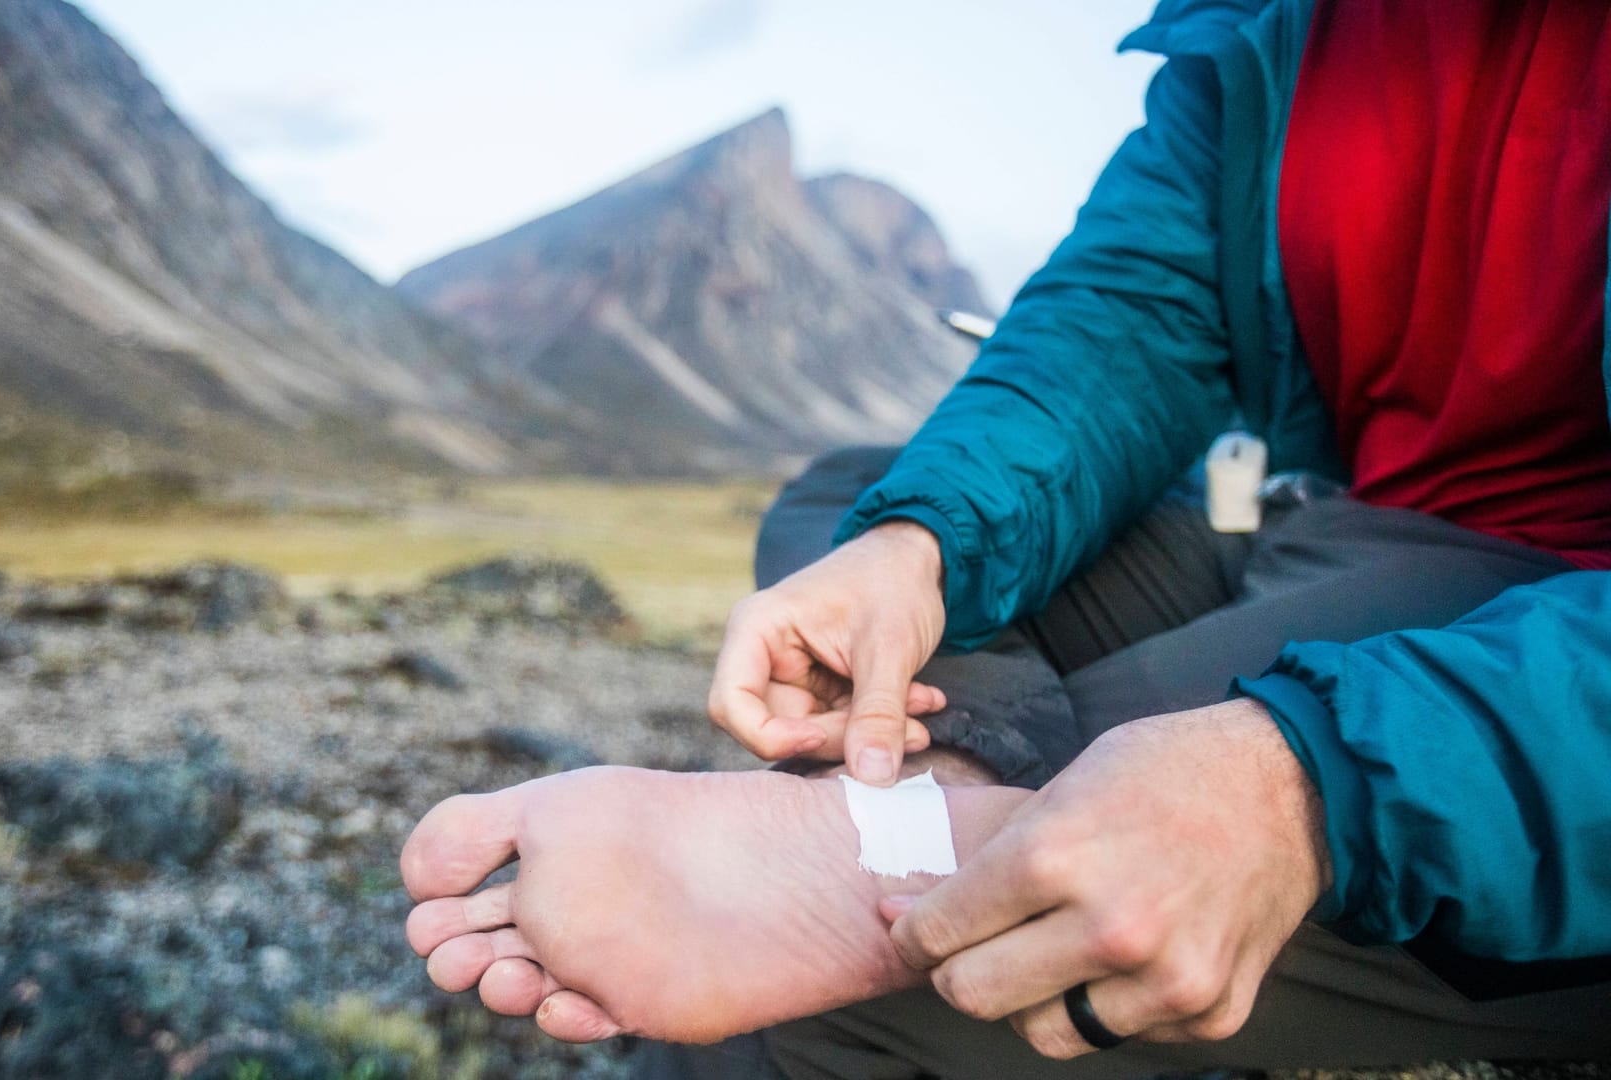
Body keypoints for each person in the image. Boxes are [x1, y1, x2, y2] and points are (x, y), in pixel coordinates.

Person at [401, 0, 1611, 1075]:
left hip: (1546, 617)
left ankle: (906, 845)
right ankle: (936, 795)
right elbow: (1133, 309)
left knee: (864, 1007)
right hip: (1338, 525)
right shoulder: (1264, 25)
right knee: (856, 504)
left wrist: (1309, 784)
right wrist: (922, 547)